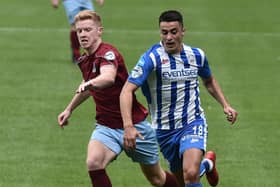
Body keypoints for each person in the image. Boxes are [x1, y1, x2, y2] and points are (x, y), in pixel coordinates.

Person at [57, 10, 179, 187]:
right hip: (106, 126)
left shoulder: (108, 53)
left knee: (157, 178)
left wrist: (91, 83)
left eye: (88, 29)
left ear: (99, 31)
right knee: (93, 163)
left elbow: (108, 77)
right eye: (79, 31)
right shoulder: (85, 59)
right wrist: (69, 109)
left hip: (134, 126)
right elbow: (87, 85)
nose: (83, 34)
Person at [120, 10, 238, 187]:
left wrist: (225, 105)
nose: (168, 37)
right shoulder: (151, 59)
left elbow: (209, 80)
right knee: (183, 181)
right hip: (163, 130)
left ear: (183, 31)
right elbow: (126, 91)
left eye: (173, 32)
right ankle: (207, 164)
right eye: (164, 32)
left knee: (190, 173)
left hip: (192, 121)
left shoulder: (197, 56)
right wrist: (128, 126)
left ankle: (201, 166)